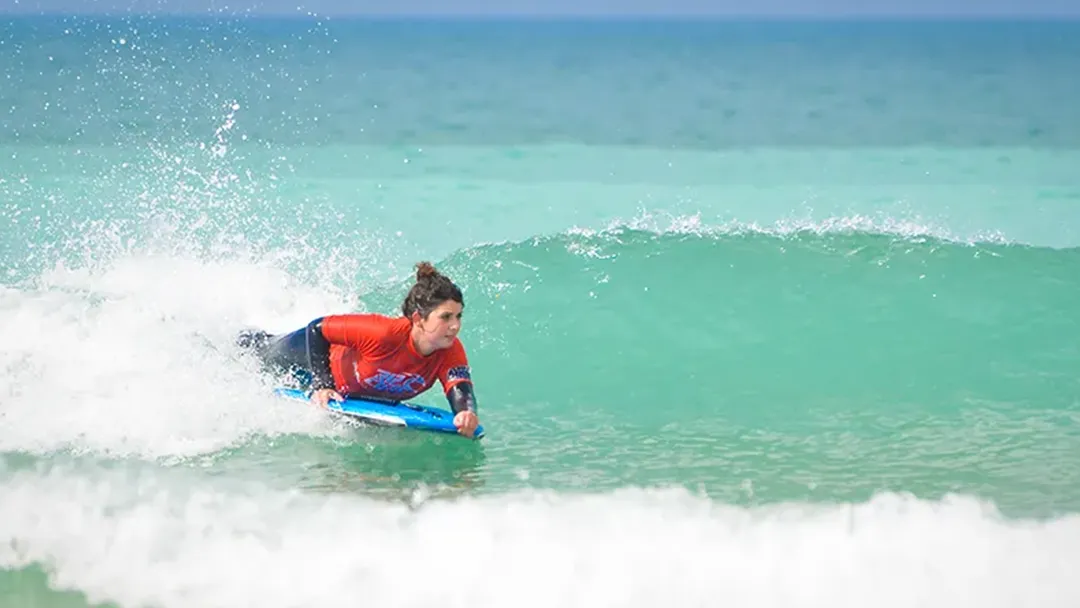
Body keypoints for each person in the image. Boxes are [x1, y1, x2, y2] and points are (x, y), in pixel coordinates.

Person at [237, 261, 481, 438]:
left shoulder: (449, 350)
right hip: (311, 355)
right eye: (446, 317)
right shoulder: (383, 333)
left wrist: (466, 414)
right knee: (258, 353)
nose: (455, 325)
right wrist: (323, 385)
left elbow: (461, 390)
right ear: (418, 318)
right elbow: (317, 329)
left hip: (343, 385)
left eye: (458, 316)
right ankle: (235, 337)